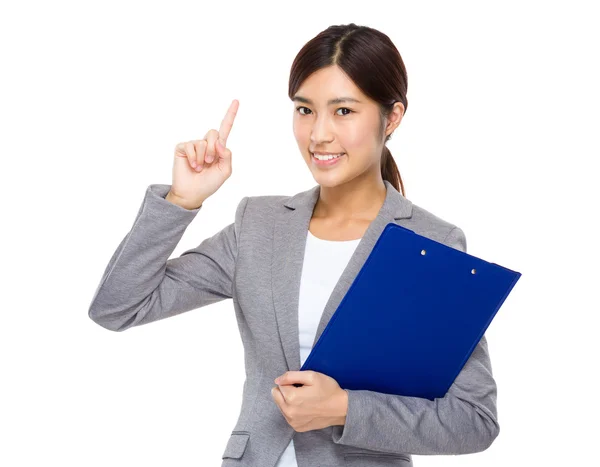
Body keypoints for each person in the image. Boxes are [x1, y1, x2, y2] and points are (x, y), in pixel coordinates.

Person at [88, 23, 499, 467]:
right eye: (305, 110)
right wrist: (181, 201)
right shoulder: (259, 225)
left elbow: (473, 420)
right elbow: (117, 307)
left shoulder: (433, 242)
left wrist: (345, 407)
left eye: (343, 111)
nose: (319, 134)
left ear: (392, 116)